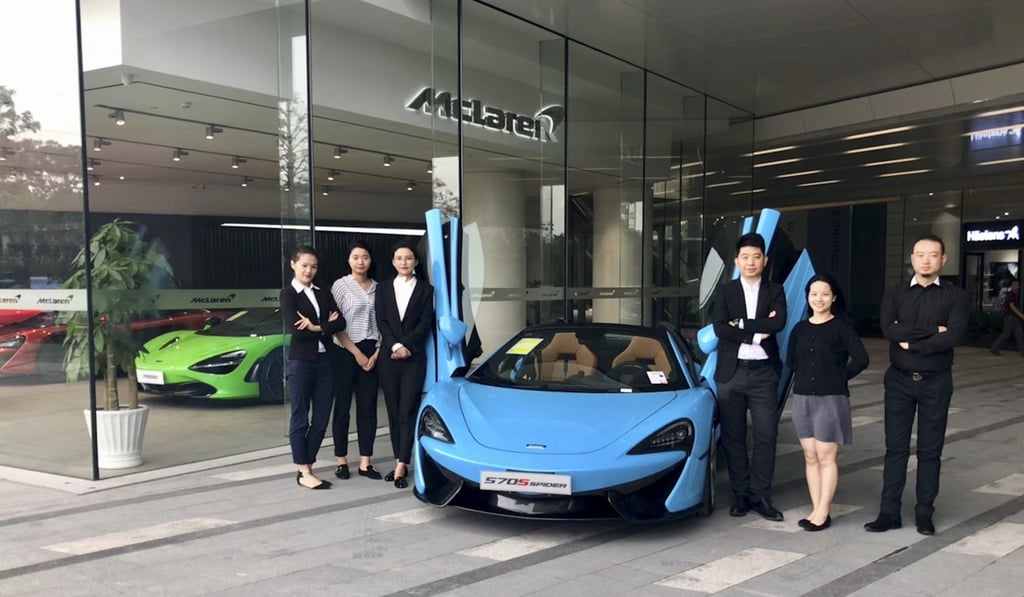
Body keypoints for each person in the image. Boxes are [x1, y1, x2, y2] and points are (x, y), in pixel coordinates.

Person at [865, 233, 969, 535]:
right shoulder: (895, 294)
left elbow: (953, 336)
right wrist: (931, 331)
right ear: (911, 259)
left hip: (936, 382)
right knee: (895, 449)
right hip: (898, 381)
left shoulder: (955, 296)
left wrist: (914, 342)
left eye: (933, 254)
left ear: (943, 259)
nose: (926, 260)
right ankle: (889, 512)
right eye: (920, 254)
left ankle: (925, 512)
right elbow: (889, 330)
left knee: (930, 451)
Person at [711, 232, 788, 521]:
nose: (751, 262)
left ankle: (761, 495)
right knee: (734, 437)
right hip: (731, 373)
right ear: (737, 261)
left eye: (756, 256)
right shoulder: (726, 291)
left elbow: (778, 322)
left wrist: (741, 324)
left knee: (767, 435)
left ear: (765, 260)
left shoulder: (775, 290)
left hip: (763, 374)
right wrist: (757, 331)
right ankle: (741, 494)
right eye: (745, 257)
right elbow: (720, 327)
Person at [786, 274, 869, 531]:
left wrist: (837, 376)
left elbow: (861, 359)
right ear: (807, 297)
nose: (818, 299)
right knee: (810, 456)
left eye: (824, 294)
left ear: (833, 297)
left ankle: (823, 512)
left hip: (831, 399)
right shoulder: (800, 329)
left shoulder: (841, 328)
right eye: (813, 294)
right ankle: (815, 508)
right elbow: (791, 361)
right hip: (802, 398)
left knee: (826, 456)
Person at [280, 245, 346, 490]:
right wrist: (323, 325)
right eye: (304, 265)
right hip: (301, 362)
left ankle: (308, 462)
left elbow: (340, 321)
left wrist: (316, 327)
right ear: (293, 265)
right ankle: (304, 469)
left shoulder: (322, 292)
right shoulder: (288, 294)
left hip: (326, 361)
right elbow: (297, 330)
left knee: (321, 418)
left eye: (313, 266)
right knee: (300, 416)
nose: (309, 270)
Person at [375, 241, 434, 489]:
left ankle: (401, 463)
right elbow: (381, 321)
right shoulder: (383, 289)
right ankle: (399, 457)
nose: (404, 262)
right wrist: (394, 346)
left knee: (408, 410)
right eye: (399, 258)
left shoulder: (426, 289)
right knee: (392, 409)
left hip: (414, 358)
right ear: (393, 261)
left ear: (416, 262)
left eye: (408, 258)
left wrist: (406, 346)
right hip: (389, 358)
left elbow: (425, 322)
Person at [330, 242, 383, 481]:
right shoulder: (340, 286)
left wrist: (376, 353)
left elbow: (384, 323)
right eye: (355, 257)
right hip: (345, 350)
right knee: (342, 407)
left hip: (373, 350)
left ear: (371, 260)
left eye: (365, 257)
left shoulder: (379, 288)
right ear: (348, 260)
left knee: (368, 407)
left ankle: (365, 462)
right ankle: (341, 460)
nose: (360, 261)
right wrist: (357, 353)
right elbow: (336, 324)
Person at [990, 278, 1024, 357]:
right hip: (1010, 317)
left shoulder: (1016, 295)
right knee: (1006, 334)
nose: (1016, 286)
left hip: (1015, 318)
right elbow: (1011, 306)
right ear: (1011, 286)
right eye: (1014, 285)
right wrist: (1021, 315)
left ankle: (1022, 351)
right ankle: (994, 347)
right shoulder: (1011, 295)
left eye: (1017, 285)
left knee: (1019, 335)